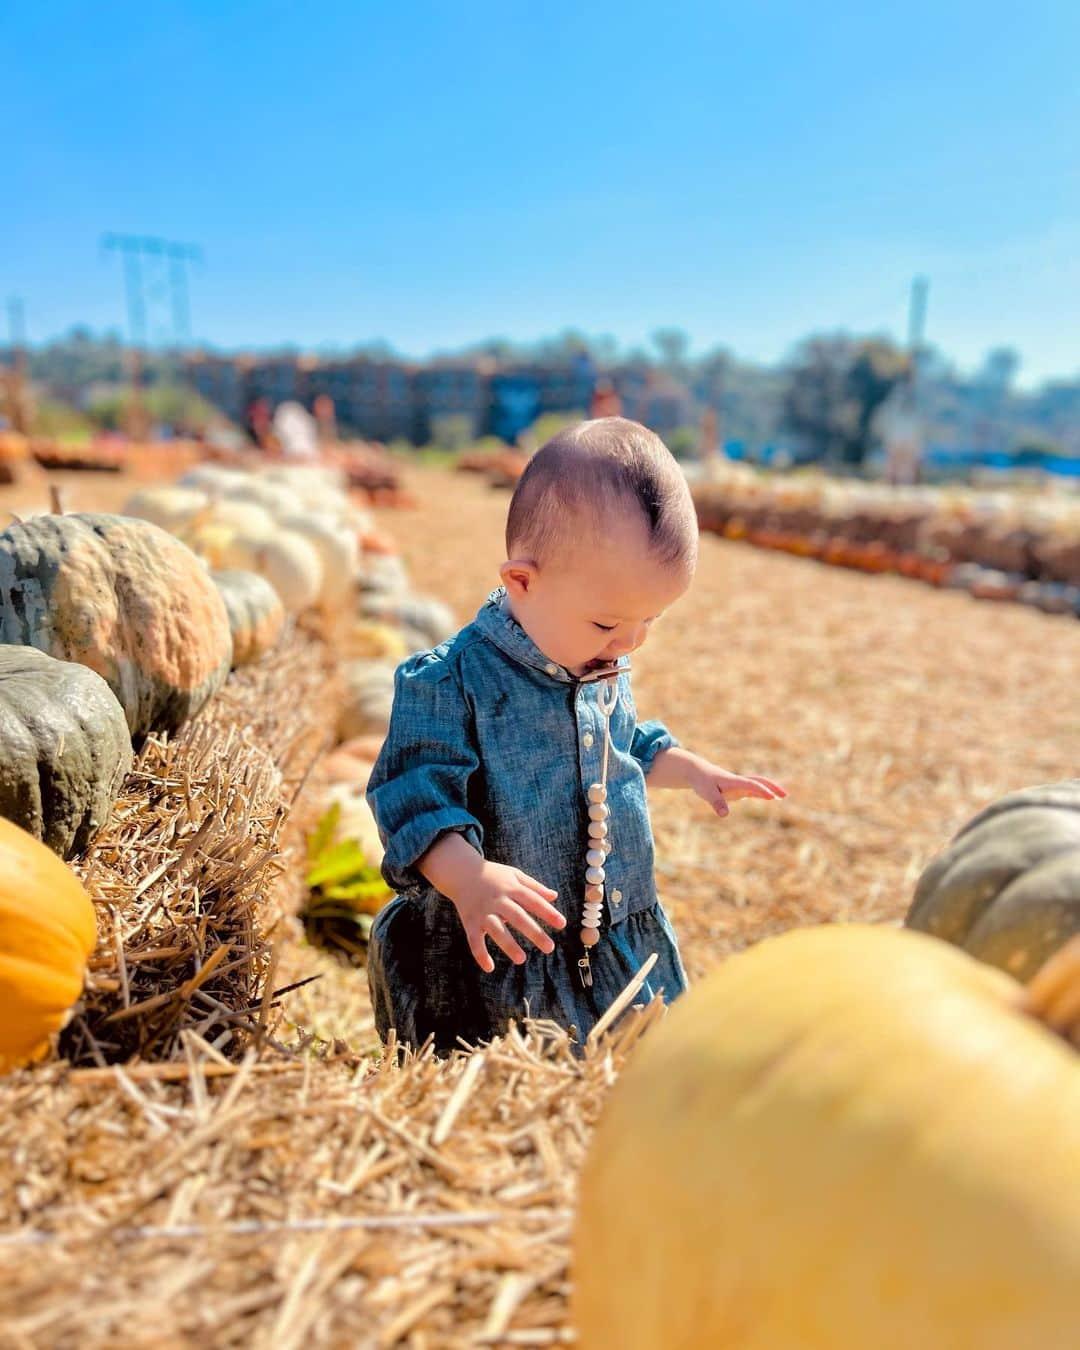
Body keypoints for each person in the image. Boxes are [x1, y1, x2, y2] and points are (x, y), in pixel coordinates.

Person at [366, 417, 786, 1051]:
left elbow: (623, 746)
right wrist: (469, 879)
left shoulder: (596, 661)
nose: (630, 643)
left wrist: (690, 767)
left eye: (652, 621)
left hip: (610, 933)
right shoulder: (450, 684)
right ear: (523, 582)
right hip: (504, 947)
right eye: (609, 622)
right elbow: (417, 805)